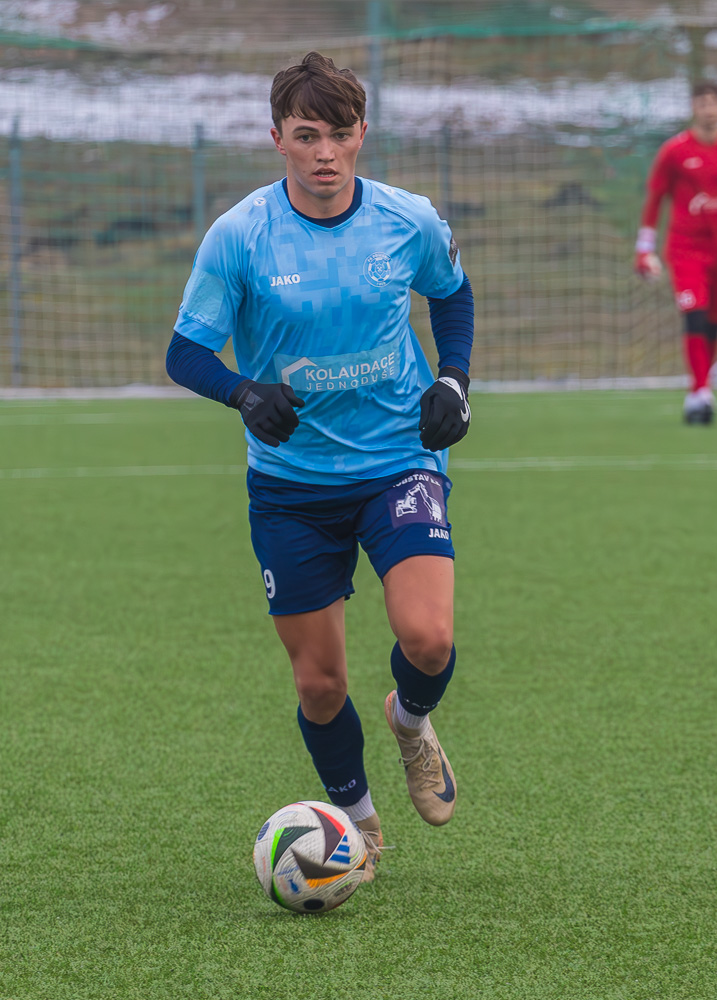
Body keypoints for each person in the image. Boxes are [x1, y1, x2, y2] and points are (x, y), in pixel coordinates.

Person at [165, 52, 473, 881]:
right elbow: (184, 352)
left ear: (361, 132)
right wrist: (242, 393)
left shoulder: (407, 219)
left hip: (398, 460)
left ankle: (410, 722)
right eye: (306, 136)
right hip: (291, 487)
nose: (325, 153)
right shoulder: (240, 235)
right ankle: (359, 826)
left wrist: (452, 378)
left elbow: (451, 292)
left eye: (339, 134)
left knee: (428, 637)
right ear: (277, 139)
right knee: (319, 685)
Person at [634, 79, 717, 424]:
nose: (709, 110)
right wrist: (644, 249)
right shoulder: (675, 151)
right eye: (703, 103)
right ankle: (702, 391)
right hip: (686, 249)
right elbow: (655, 199)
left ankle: (700, 390)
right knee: (695, 313)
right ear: (694, 107)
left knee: (715, 321)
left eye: (714, 103)